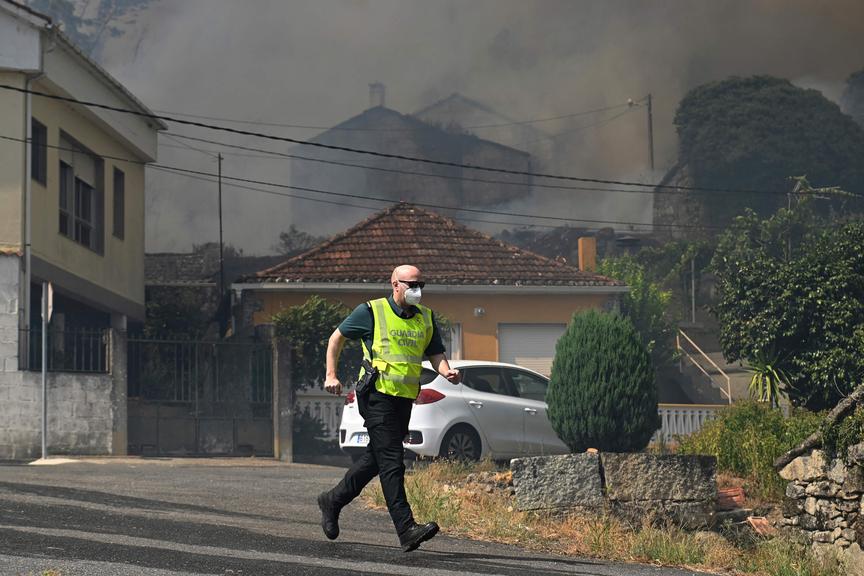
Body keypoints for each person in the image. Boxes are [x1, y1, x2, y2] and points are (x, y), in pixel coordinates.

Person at [317, 264, 460, 552]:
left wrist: (446, 371)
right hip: (376, 396)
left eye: (421, 285)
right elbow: (336, 338)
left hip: (404, 398)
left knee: (376, 458)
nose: (417, 290)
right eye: (411, 284)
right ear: (395, 284)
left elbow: (435, 353)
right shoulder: (371, 312)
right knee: (392, 460)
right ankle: (406, 528)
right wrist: (331, 375)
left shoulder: (426, 317)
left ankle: (332, 500)